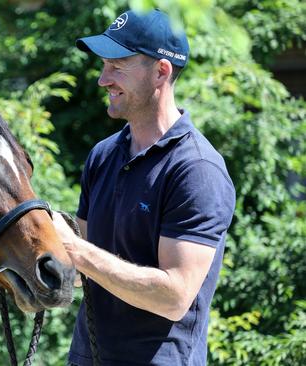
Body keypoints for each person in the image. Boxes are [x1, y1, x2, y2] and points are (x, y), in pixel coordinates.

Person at [51, 9, 236, 366]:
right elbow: (79, 274)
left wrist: (75, 248)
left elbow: (174, 296)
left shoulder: (196, 169)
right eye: (103, 66)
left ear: (161, 72)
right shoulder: (103, 155)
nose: (104, 80)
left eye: (117, 66)